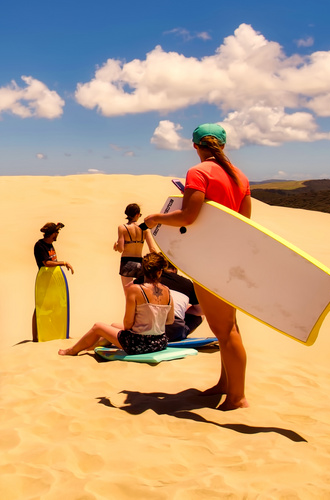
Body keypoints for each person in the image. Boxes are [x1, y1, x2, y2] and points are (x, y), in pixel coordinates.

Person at [143, 123, 252, 410]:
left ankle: (237, 397)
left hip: (210, 260)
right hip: (231, 259)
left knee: (225, 330)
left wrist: (156, 218)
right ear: (223, 145)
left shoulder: (199, 172)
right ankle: (225, 384)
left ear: (195, 146)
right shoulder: (240, 176)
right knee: (228, 327)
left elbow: (188, 217)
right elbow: (246, 224)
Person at [58, 253, 174, 356]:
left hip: (138, 345)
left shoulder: (135, 290)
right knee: (114, 325)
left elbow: (128, 324)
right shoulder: (167, 291)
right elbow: (170, 320)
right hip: (160, 343)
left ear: (144, 270)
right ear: (159, 272)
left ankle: (72, 350)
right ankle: (91, 346)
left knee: (98, 327)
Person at [33, 222, 74, 341]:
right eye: (57, 232)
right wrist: (64, 263)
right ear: (52, 234)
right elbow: (46, 263)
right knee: (40, 307)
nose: (58, 235)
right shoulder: (40, 245)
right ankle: (35, 337)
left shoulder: (50, 245)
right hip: (44, 279)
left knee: (56, 306)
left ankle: (60, 334)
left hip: (53, 280)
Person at [160, 264, 204, 342]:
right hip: (172, 333)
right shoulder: (187, 283)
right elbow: (200, 311)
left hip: (148, 330)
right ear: (174, 269)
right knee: (201, 315)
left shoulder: (147, 280)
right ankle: (182, 334)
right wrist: (183, 309)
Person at [114, 204, 151, 286]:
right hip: (139, 262)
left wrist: (116, 246)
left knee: (128, 293)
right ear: (137, 214)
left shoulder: (122, 228)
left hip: (126, 262)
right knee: (141, 292)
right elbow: (152, 249)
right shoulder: (145, 229)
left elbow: (121, 249)